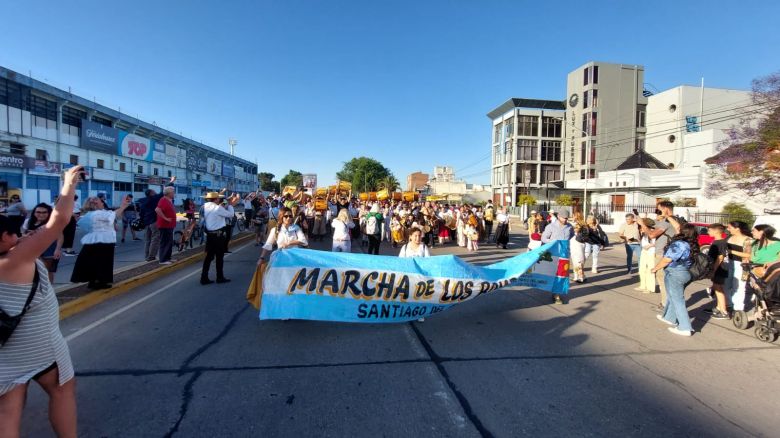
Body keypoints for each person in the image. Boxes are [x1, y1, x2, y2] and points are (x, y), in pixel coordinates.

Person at [0, 166, 82, 438]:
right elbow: (59, 221)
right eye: (13, 233)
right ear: (3, 238)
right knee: (62, 390)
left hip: (4, 353)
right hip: (38, 346)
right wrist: (68, 184)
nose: (20, 235)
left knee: (8, 408)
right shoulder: (16, 259)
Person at [70, 195, 131, 289]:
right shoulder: (97, 214)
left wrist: (122, 206)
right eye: (99, 200)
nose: (102, 201)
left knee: (95, 260)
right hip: (103, 239)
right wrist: (123, 206)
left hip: (98, 238)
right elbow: (114, 215)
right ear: (96, 203)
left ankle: (95, 281)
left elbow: (114, 216)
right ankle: (100, 281)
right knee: (103, 261)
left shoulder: (96, 213)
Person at [652, 223, 698, 337]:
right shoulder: (691, 243)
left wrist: (655, 268)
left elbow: (667, 259)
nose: (676, 229)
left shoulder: (679, 244)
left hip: (675, 273)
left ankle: (685, 327)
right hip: (684, 272)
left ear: (683, 231)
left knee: (678, 300)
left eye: (679, 228)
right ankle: (670, 317)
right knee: (672, 296)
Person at [200, 191, 240, 285]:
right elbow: (230, 214)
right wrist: (230, 205)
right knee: (219, 257)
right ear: (216, 199)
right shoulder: (217, 208)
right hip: (218, 236)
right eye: (219, 198)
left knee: (208, 257)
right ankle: (220, 277)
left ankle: (204, 277)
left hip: (209, 235)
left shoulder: (204, 206)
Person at [646, 200, 677, 313]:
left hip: (662, 254)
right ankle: (668, 302)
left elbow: (652, 234)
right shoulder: (676, 220)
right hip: (671, 252)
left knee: (662, 279)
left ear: (666, 209)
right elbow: (655, 224)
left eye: (659, 210)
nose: (658, 212)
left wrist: (643, 225)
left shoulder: (667, 221)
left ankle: (665, 303)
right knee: (668, 279)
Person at [22, 203, 63, 285]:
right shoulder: (28, 222)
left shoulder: (53, 223)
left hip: (49, 250)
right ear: (34, 212)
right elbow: (23, 235)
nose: (41, 214)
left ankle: (49, 291)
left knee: (48, 272)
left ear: (49, 213)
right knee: (33, 272)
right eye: (38, 212)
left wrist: (57, 249)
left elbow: (60, 236)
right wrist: (27, 235)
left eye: (44, 212)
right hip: (32, 250)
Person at [541, 209, 574, 304]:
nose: (565, 220)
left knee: (562, 274)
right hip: (553, 254)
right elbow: (543, 238)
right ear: (559, 216)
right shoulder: (551, 226)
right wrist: (553, 241)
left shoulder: (569, 227)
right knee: (555, 274)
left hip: (565, 255)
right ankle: (555, 293)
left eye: (567, 218)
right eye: (564, 218)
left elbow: (571, 236)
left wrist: (564, 245)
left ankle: (557, 293)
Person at [139, 176, 176, 261]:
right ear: (151, 193)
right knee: (155, 239)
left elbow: (141, 213)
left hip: (146, 222)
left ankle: (147, 256)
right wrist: (171, 181)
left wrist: (142, 221)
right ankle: (151, 256)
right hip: (154, 221)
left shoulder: (143, 201)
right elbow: (164, 192)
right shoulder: (155, 199)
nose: (155, 192)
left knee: (148, 240)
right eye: (153, 191)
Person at [725, 221, 753, 313]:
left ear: (737, 228)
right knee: (727, 284)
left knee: (739, 286)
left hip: (741, 264)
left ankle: (738, 308)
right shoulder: (729, 237)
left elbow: (749, 255)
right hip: (728, 262)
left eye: (730, 227)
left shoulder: (747, 239)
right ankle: (729, 304)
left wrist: (731, 252)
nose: (728, 229)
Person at [703, 223, 730, 319]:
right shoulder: (716, 241)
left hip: (720, 268)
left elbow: (720, 257)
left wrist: (714, 269)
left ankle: (724, 312)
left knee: (718, 289)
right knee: (717, 287)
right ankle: (718, 308)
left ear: (716, 231)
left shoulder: (720, 242)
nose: (708, 232)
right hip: (718, 268)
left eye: (709, 230)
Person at [155, 187, 177, 265]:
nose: (174, 193)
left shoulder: (169, 201)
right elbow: (157, 209)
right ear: (169, 193)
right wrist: (166, 218)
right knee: (165, 242)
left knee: (169, 242)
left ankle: (168, 258)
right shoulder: (163, 200)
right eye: (173, 192)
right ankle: (163, 259)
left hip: (169, 225)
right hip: (164, 225)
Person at [636, 218, 657, 294]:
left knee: (650, 269)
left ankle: (650, 288)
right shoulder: (644, 232)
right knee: (642, 268)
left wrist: (650, 245)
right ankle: (643, 285)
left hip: (651, 252)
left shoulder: (654, 232)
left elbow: (657, 243)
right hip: (644, 251)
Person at [570, 212, 588, 283]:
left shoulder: (578, 224)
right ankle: (578, 276)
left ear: (576, 216)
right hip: (578, 243)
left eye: (573, 215)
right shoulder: (584, 224)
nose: (572, 217)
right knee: (576, 260)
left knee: (578, 260)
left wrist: (572, 224)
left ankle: (580, 277)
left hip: (577, 243)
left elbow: (576, 230)